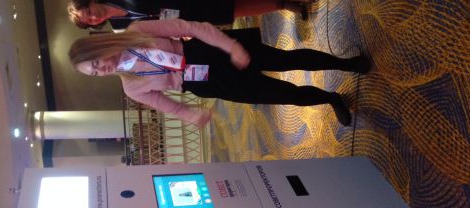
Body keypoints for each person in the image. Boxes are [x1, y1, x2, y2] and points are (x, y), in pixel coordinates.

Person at [68, 19, 370, 127]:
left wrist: (231, 46)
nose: (101, 71)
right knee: (283, 95)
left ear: (99, 48)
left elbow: (189, 27)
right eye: (95, 74)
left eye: (96, 64)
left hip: (208, 52)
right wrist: (191, 115)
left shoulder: (137, 31)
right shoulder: (131, 87)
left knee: (288, 60)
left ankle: (346, 64)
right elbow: (168, 105)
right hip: (205, 82)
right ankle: (331, 99)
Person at [67, 0, 317, 31]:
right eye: (88, 21)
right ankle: (282, 4)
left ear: (91, 2)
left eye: (88, 12)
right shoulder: (119, 27)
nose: (92, 18)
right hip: (184, 18)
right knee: (232, 10)